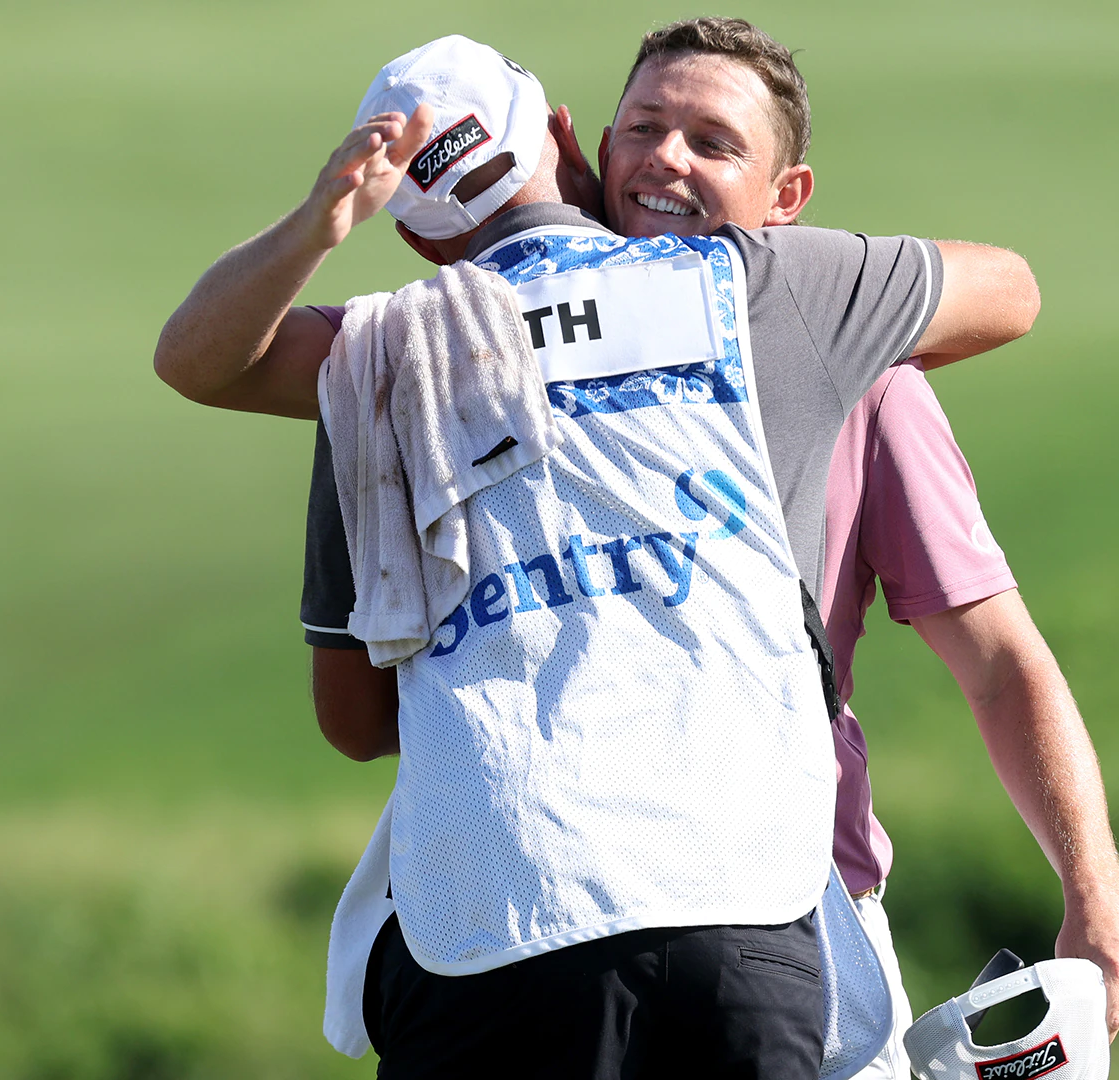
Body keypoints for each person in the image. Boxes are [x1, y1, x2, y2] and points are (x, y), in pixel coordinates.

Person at [154, 33, 1038, 1080]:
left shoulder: (380, 364)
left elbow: (195, 362)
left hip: (490, 919)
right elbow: (1011, 291)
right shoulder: (753, 284)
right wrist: (829, 325)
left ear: (423, 240)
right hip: (745, 906)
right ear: (570, 143)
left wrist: (317, 223)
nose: (665, 158)